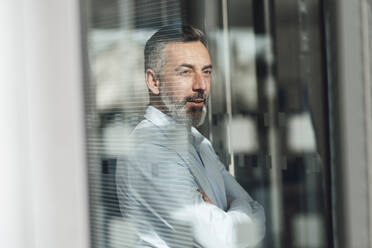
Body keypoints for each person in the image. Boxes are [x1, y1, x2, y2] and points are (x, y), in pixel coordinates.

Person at [116, 24, 265, 248]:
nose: (201, 85)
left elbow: (259, 216)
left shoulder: (199, 142)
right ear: (154, 82)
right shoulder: (149, 149)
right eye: (185, 72)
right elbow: (223, 240)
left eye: (206, 71)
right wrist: (241, 207)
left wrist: (236, 207)